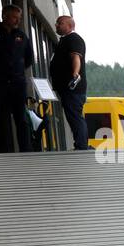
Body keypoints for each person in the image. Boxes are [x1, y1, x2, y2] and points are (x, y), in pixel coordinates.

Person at [0, 5, 34, 153]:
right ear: (5, 16)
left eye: (19, 18)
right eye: (14, 17)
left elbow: (29, 59)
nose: (17, 20)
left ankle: (26, 150)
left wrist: (16, 70)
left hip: (17, 84)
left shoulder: (22, 36)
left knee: (21, 118)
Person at [50, 15, 88, 150]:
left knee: (75, 118)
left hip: (73, 89)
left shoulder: (73, 39)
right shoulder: (65, 40)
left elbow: (76, 57)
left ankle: (82, 146)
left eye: (60, 23)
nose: (56, 25)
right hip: (67, 89)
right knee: (73, 118)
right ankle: (81, 145)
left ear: (70, 26)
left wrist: (75, 74)